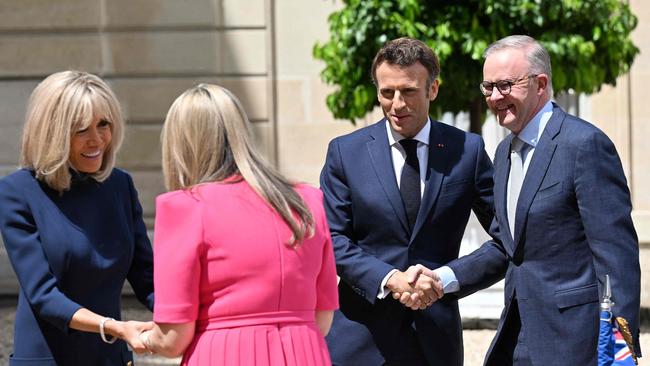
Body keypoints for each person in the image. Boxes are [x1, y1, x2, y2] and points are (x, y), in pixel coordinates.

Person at [429, 35, 641, 365]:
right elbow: (506, 246)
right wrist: (442, 278)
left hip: (576, 344)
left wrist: (619, 349)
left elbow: (616, 255)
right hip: (516, 340)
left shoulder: (584, 145)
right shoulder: (502, 154)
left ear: (540, 83)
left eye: (505, 85)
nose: (495, 97)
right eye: (488, 87)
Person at [320, 37, 495, 366]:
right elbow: (333, 238)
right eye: (387, 93)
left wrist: (445, 278)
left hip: (435, 341)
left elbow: (506, 236)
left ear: (433, 89)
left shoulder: (467, 151)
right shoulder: (345, 153)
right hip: (360, 340)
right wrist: (389, 279)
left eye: (409, 91)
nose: (397, 104)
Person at [137, 84, 339, 365]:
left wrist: (144, 338)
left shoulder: (186, 206)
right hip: (305, 353)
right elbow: (323, 318)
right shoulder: (309, 200)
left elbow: (174, 339)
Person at [0, 70, 155, 365]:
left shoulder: (120, 186)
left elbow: (147, 276)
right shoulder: (16, 193)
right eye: (81, 130)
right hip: (49, 359)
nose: (97, 140)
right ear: (52, 133)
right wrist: (115, 328)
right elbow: (43, 295)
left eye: (104, 124)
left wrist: (180, 321)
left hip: (111, 357)